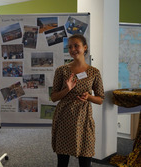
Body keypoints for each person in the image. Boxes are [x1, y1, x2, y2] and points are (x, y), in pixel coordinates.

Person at [51, 34, 104, 167]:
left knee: (85, 160)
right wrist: (66, 90)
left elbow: (100, 99)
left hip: (84, 119)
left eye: (76, 46)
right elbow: (53, 97)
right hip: (64, 117)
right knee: (62, 160)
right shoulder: (61, 70)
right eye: (70, 47)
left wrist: (89, 97)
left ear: (85, 48)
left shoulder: (94, 72)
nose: (73, 49)